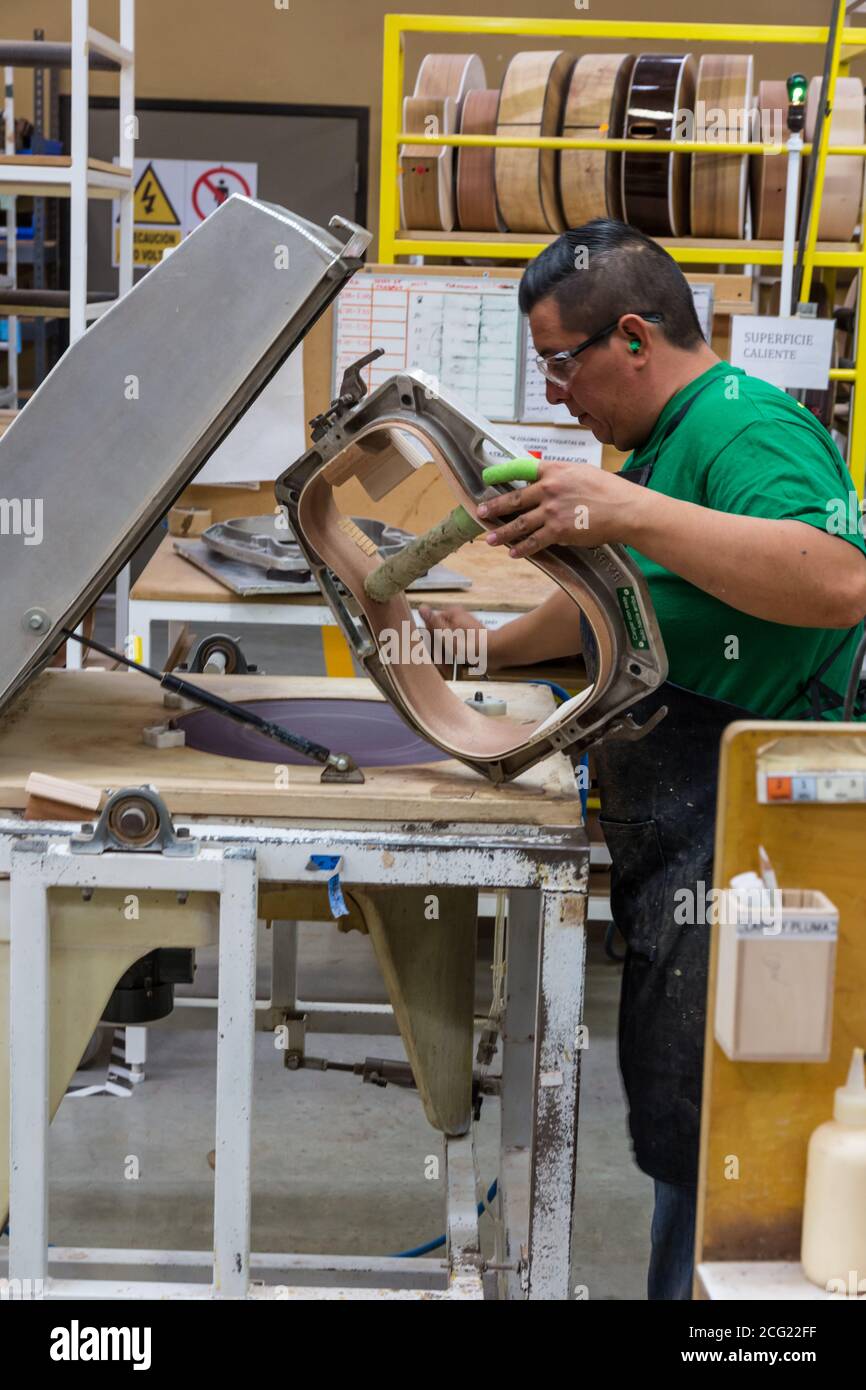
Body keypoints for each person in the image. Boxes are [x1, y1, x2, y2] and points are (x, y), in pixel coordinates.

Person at [421, 219, 866, 1300]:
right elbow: (629, 607)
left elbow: (836, 578)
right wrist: (471, 644)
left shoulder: (738, 425)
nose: (558, 391)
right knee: (684, 1109)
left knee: (727, 1125)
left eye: (562, 364)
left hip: (753, 829)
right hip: (686, 817)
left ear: (629, 336)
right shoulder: (663, 445)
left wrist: (626, 505)